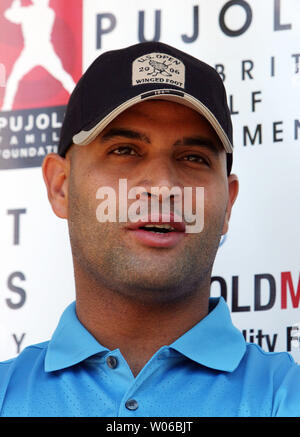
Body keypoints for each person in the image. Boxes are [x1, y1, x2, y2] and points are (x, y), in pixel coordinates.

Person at [0, 41, 299, 417]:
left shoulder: (285, 396)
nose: (162, 185)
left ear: (228, 204)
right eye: (124, 150)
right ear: (60, 186)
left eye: (193, 158)